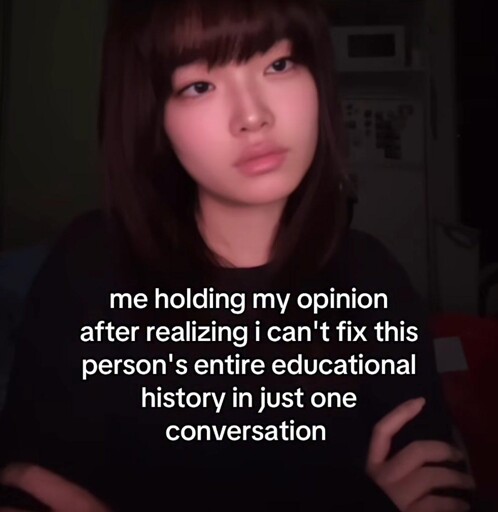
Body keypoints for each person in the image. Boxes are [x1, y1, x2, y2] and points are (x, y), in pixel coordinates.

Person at [0, 0, 477, 510]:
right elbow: (28, 486)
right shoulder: (90, 266)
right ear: (152, 115)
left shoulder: (373, 276)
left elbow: (436, 482)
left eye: (279, 64)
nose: (253, 116)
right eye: (199, 86)